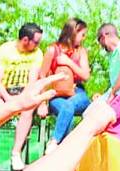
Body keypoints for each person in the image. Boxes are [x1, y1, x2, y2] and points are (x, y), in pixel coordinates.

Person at [0, 23, 43, 171]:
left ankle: (16, 153)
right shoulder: (5, 50)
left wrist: (21, 99)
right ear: (25, 40)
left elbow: (32, 80)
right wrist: (8, 98)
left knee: (28, 110)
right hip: (4, 91)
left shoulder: (37, 53)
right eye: (36, 42)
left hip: (23, 92)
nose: (38, 45)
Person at [38, 18, 91, 155]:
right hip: (57, 94)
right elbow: (42, 76)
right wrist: (42, 103)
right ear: (73, 32)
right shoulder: (52, 50)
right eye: (82, 34)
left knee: (69, 107)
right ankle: (64, 151)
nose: (83, 38)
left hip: (78, 93)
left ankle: (54, 141)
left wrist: (69, 62)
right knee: (67, 109)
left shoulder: (81, 51)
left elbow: (85, 76)